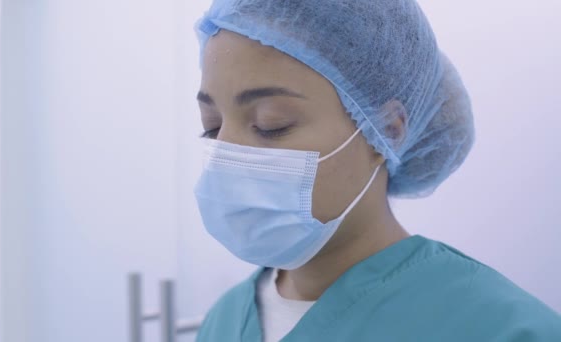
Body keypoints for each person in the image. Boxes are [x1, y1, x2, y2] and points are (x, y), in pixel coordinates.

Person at [191, 0, 561, 341]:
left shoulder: (502, 329)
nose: (228, 152)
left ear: (387, 130)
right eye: (212, 125)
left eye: (272, 124)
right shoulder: (224, 320)